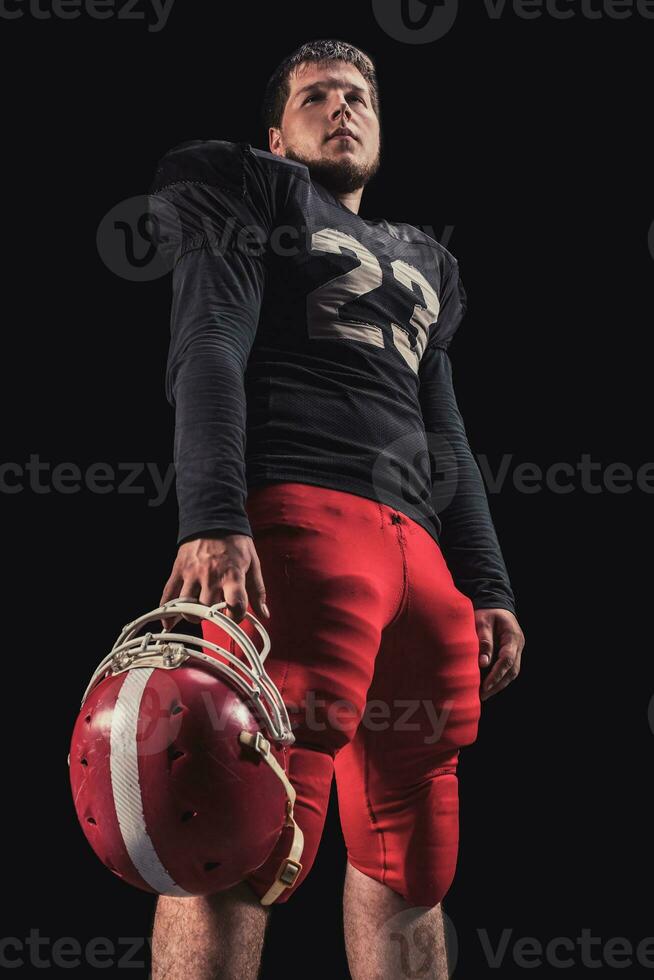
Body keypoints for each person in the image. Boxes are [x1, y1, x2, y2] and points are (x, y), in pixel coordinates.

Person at [147, 38, 525, 980]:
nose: (342, 106)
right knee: (232, 827)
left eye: (358, 94)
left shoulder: (424, 260)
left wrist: (485, 582)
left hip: (422, 563)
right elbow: (209, 341)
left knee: (416, 854)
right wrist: (211, 514)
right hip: (300, 522)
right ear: (276, 132)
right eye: (316, 95)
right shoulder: (252, 191)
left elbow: (446, 434)